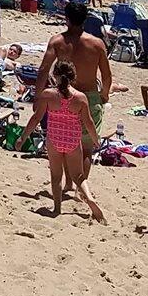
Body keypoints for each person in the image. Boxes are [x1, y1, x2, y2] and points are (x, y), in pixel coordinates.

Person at [28, 58, 105, 222]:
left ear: (55, 75)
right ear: (73, 77)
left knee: (56, 175)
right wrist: (95, 140)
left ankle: (57, 208)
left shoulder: (48, 94)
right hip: (72, 140)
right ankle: (89, 199)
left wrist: (23, 136)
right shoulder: (80, 97)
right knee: (78, 175)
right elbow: (89, 122)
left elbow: (36, 118)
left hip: (54, 139)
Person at [43, 1, 113, 139]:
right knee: (86, 148)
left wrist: (40, 96)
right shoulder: (97, 44)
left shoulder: (57, 42)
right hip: (89, 97)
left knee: (63, 143)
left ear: (66, 18)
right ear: (85, 19)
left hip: (64, 95)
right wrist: (104, 95)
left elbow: (43, 70)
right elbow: (106, 75)